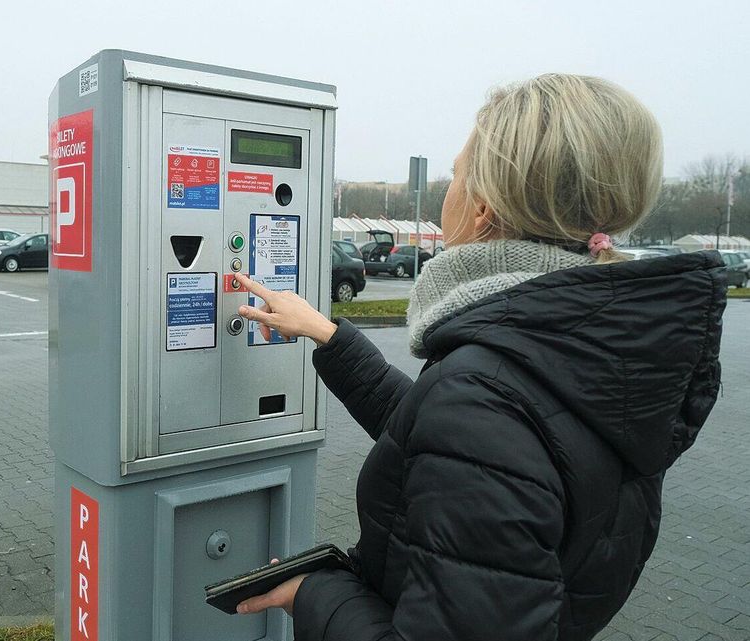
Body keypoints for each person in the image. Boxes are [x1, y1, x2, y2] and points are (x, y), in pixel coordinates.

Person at [233, 74, 726, 640]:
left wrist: (316, 593)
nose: (448, 190)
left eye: (457, 174)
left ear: (483, 210)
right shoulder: (597, 346)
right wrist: (331, 337)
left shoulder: (485, 399)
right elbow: (458, 443)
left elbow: (476, 437)